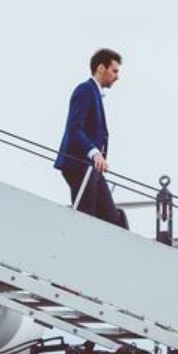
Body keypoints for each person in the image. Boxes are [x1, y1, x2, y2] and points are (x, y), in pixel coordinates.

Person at [54, 48, 127, 228]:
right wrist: (94, 153)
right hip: (80, 165)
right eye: (114, 71)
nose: (117, 77)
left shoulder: (94, 92)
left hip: (92, 168)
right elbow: (74, 128)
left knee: (112, 217)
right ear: (101, 68)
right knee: (87, 217)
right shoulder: (85, 90)